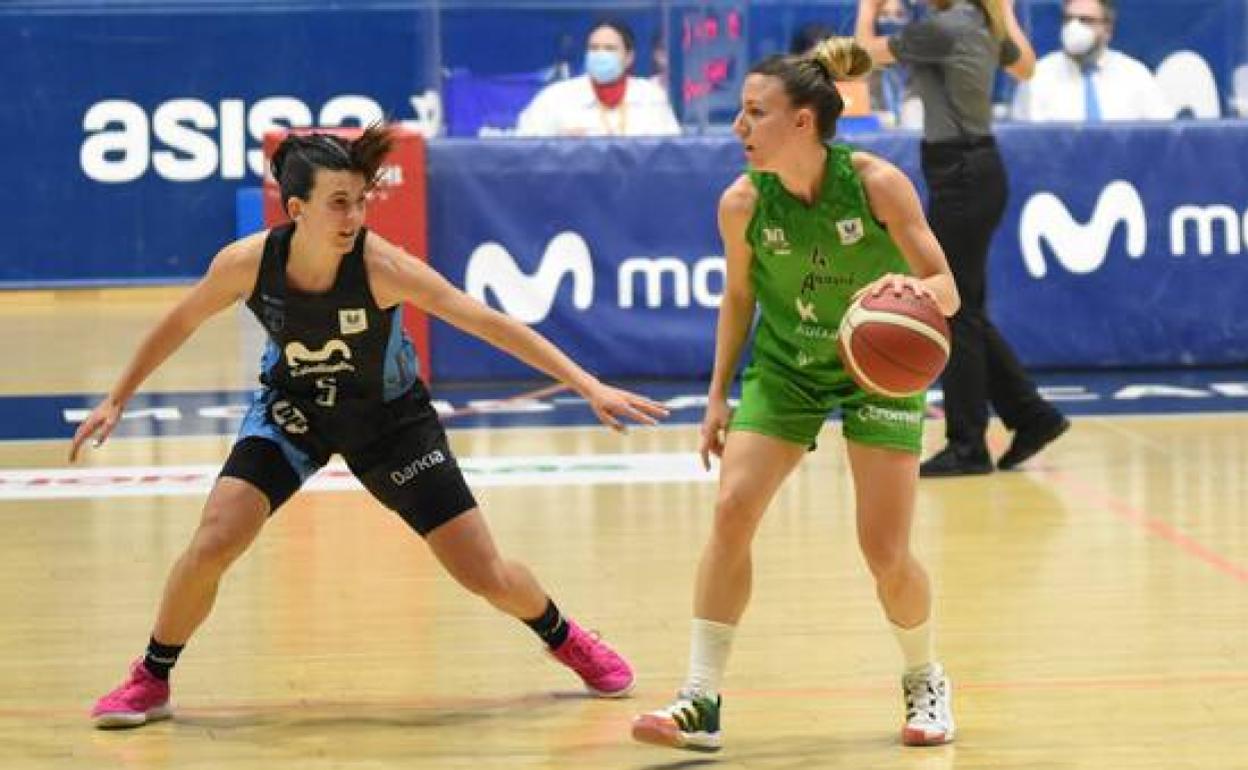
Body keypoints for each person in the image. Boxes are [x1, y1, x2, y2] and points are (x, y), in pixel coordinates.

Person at [75, 125, 670, 729]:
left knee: (482, 574)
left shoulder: (384, 266)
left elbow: (485, 321)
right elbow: (179, 323)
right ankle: (151, 677)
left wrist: (586, 383)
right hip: (295, 410)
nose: (354, 215)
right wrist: (117, 398)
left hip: (391, 422)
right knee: (215, 539)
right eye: (339, 202)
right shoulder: (246, 264)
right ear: (295, 207)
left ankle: (564, 635)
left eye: (361, 201)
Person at [631, 38, 962, 752]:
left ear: (803, 122)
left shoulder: (876, 184)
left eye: (755, 113)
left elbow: (948, 289)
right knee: (731, 508)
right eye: (741, 113)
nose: (738, 127)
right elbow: (740, 297)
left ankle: (924, 675)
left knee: (884, 553)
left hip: (874, 369)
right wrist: (716, 395)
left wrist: (904, 290)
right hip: (787, 365)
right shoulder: (743, 202)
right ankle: (700, 697)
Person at [856, 0, 1069, 477]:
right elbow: (1026, 66)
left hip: (960, 174)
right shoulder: (980, 22)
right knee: (963, 307)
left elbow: (859, 56)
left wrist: (867, 8)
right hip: (975, 170)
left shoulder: (944, 28)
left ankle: (968, 444)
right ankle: (1031, 415)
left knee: (951, 307)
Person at [1012, 0, 1173, 122]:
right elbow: (1024, 147)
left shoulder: (1134, 76)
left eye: (1085, 20)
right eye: (1068, 20)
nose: (1073, 28)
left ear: (1107, 29)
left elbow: (1163, 136)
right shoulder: (1038, 78)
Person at [515, 20, 681, 137]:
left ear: (629, 57)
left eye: (610, 49)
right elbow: (525, 149)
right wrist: (560, 147)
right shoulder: (555, 98)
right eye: (594, 49)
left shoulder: (651, 96)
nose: (601, 55)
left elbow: (670, 154)